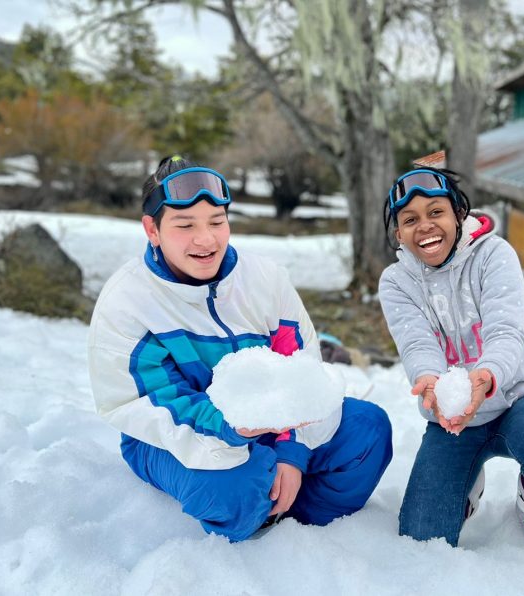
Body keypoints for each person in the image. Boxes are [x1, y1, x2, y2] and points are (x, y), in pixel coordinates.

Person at [88, 155, 393, 542]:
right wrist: (227, 429)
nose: (206, 239)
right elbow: (146, 401)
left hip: (269, 427)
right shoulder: (128, 299)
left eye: (217, 222)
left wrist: (290, 453)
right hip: (173, 434)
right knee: (233, 490)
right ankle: (253, 505)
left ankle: (285, 516)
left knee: (368, 430)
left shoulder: (264, 279)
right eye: (185, 226)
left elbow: (300, 369)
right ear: (152, 229)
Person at [378, 167, 524, 550]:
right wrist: (430, 382)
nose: (425, 226)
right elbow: (418, 345)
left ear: (457, 213)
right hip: (451, 419)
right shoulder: (395, 282)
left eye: (436, 212)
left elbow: (506, 332)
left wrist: (485, 378)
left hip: (513, 400)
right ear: (398, 233)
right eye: (410, 220)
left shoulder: (494, 254)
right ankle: (465, 484)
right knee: (422, 538)